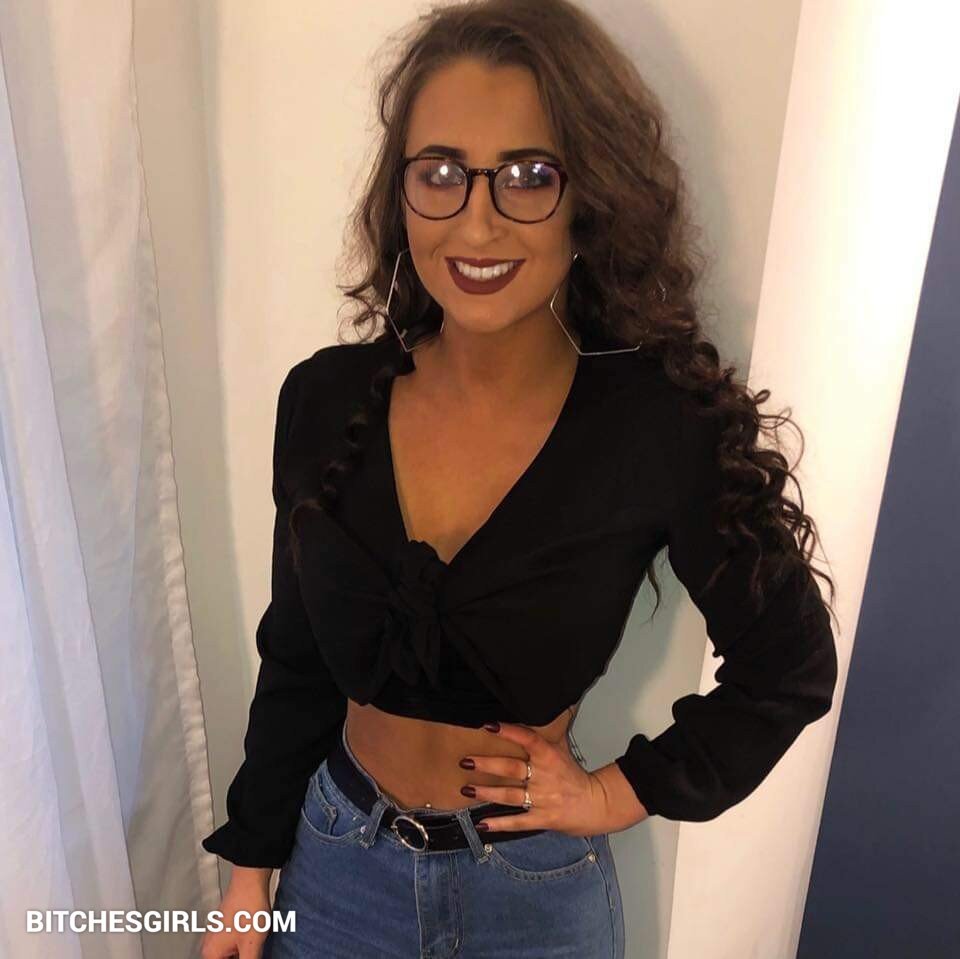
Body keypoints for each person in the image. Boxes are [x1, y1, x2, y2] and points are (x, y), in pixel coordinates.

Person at [199, 1, 839, 956]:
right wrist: (250, 873)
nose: (478, 220)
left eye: (529, 176)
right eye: (441, 173)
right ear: (400, 193)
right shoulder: (325, 399)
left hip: (531, 904)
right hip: (334, 875)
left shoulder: (656, 424)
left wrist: (616, 793)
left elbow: (788, 666)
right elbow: (296, 655)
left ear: (591, 195)